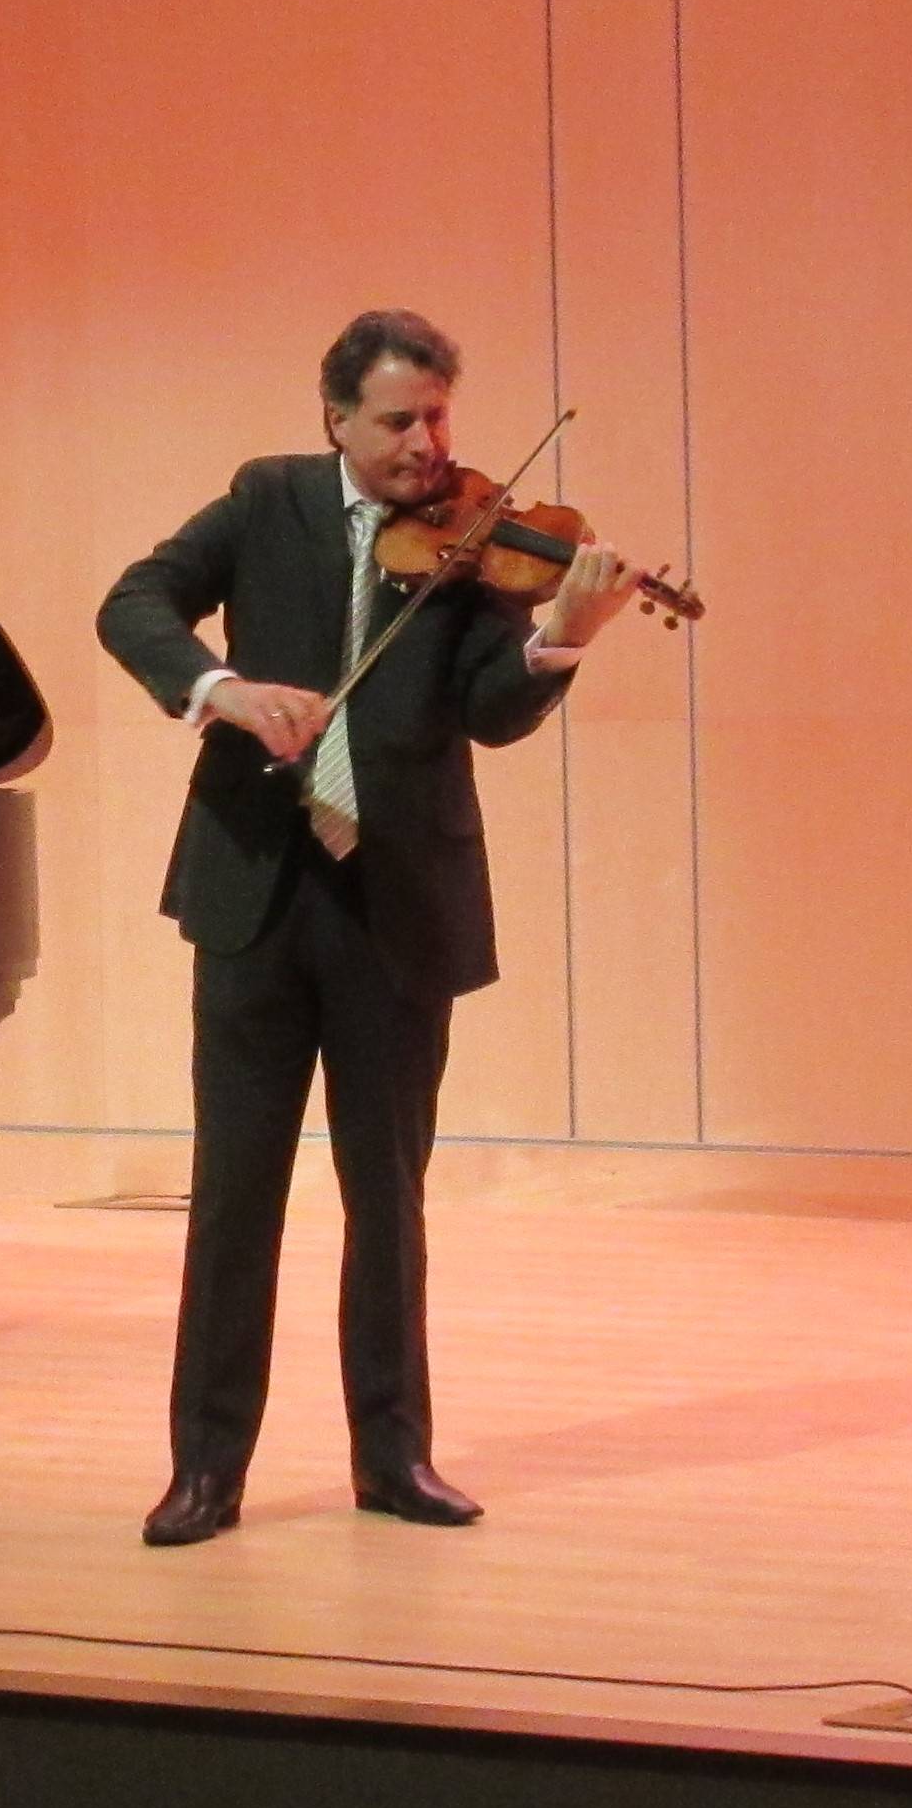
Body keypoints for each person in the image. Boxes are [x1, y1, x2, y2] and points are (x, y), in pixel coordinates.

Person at [95, 309, 635, 1546]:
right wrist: (222, 690)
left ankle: (393, 1457)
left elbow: (488, 710)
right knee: (234, 1196)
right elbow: (133, 603)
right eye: (397, 420)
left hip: (395, 901)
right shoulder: (264, 499)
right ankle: (205, 1470)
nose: (424, 444)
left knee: (386, 1196)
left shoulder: (475, 540)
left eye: (436, 416)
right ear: (335, 417)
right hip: (255, 893)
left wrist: (561, 635)